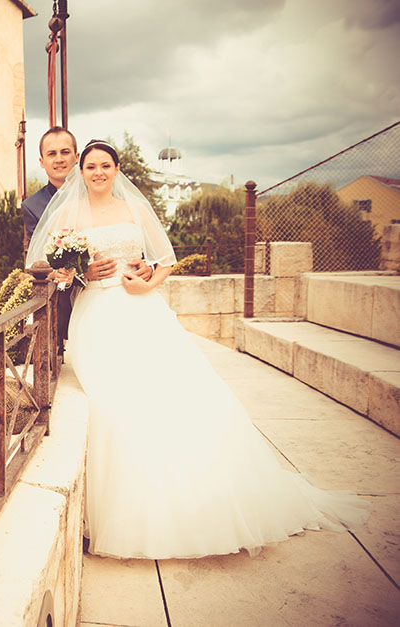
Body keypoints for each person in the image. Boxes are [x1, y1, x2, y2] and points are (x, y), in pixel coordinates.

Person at [27, 139, 369, 559]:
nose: (98, 172)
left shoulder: (135, 209)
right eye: (90, 166)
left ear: (117, 170)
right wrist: (78, 273)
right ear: (81, 172)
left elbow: (166, 259)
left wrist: (149, 281)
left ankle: (193, 504)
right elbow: (49, 268)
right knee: (114, 404)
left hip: (142, 311)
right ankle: (127, 507)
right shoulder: (66, 214)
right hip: (96, 315)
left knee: (174, 396)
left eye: (105, 165)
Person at [23, 128, 151, 354]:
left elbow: (139, 240)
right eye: (52, 154)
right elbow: (43, 266)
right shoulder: (34, 206)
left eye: (65, 152)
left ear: (76, 158)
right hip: (73, 306)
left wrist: (148, 265)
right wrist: (81, 272)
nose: (60, 159)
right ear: (42, 162)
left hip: (130, 296)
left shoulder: (114, 194)